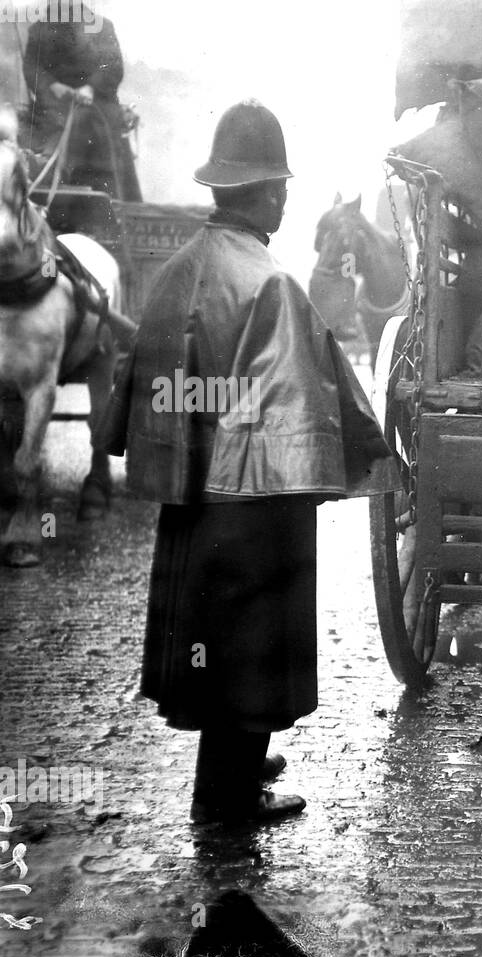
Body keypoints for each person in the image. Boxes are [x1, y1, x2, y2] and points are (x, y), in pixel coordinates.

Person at [96, 100, 400, 825]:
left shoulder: (176, 272)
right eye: (282, 187)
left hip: (193, 499)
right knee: (254, 643)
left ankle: (229, 763)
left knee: (208, 640)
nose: (287, 198)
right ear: (268, 193)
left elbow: (139, 391)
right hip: (256, 502)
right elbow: (308, 400)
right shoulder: (270, 282)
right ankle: (228, 797)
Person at [21, 3, 141, 200]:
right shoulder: (39, 29)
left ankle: (108, 199)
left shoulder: (102, 27)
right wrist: (54, 87)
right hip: (53, 105)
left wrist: (91, 87)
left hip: (97, 103)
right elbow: (31, 67)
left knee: (93, 129)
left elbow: (113, 66)